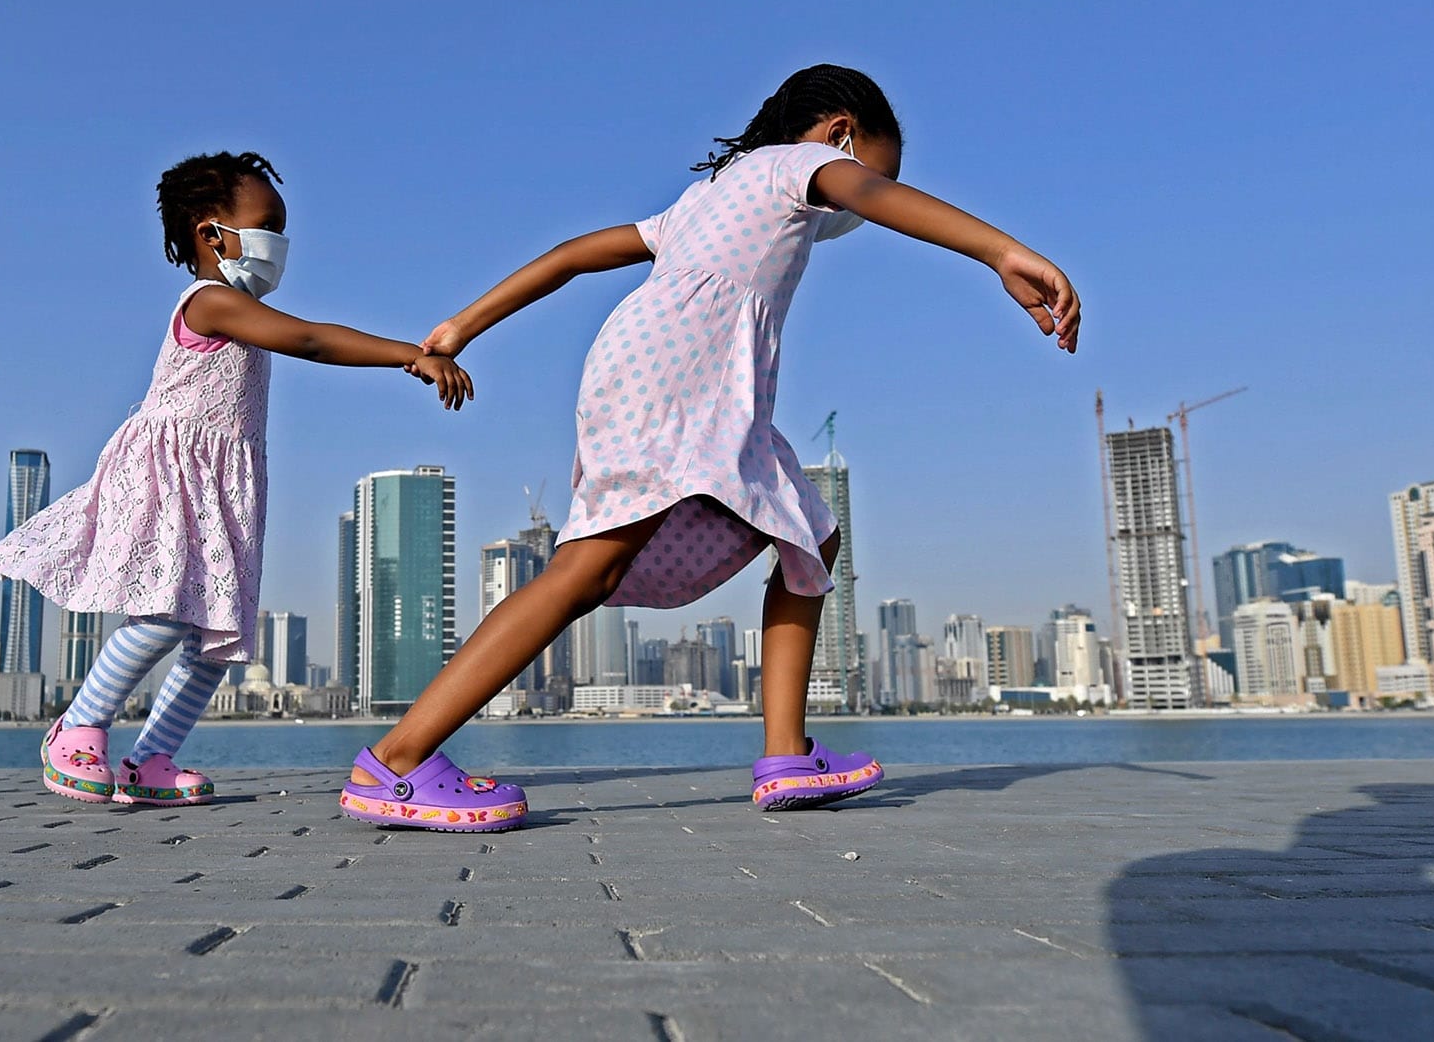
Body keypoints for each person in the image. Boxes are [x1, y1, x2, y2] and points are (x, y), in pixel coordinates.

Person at [338, 64, 1081, 831]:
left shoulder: (705, 199)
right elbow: (873, 197)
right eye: (866, 165)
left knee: (812, 534)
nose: (859, 195)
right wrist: (1000, 250)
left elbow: (568, 255)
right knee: (587, 568)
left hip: (682, 379)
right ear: (839, 133)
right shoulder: (796, 165)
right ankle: (396, 759)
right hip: (676, 377)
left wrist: (465, 324)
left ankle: (788, 754)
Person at [0, 150, 471, 806]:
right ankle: (77, 727)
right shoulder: (211, 302)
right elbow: (309, 340)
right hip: (174, 478)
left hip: (227, 485)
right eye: (267, 222)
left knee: (216, 637)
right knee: (165, 613)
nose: (280, 242)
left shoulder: (237, 310)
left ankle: (152, 759)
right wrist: (409, 357)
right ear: (212, 234)